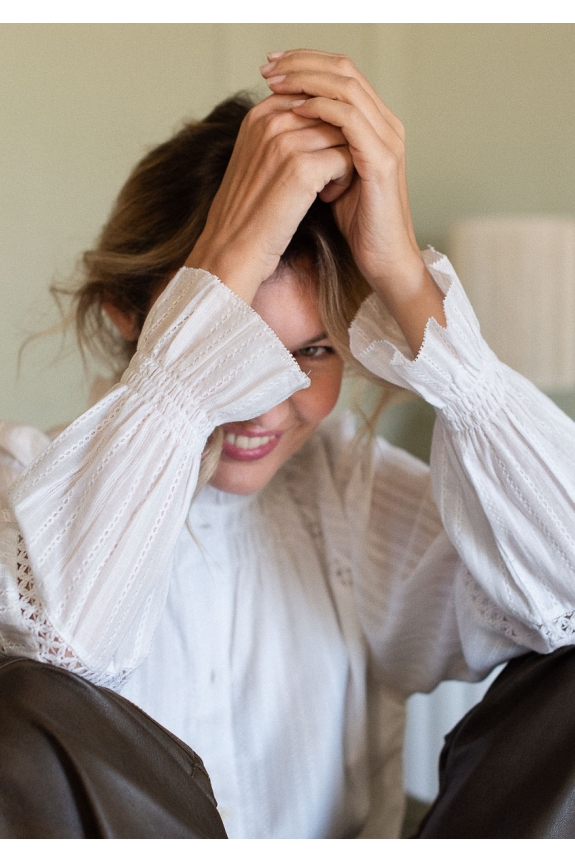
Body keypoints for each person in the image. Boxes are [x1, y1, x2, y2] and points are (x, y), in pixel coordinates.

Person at [1, 48, 575, 838]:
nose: (266, 401)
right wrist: (225, 264)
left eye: (311, 352)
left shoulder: (349, 496)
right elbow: (54, 660)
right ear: (128, 316)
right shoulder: (24, 485)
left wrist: (404, 279)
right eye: (229, 344)